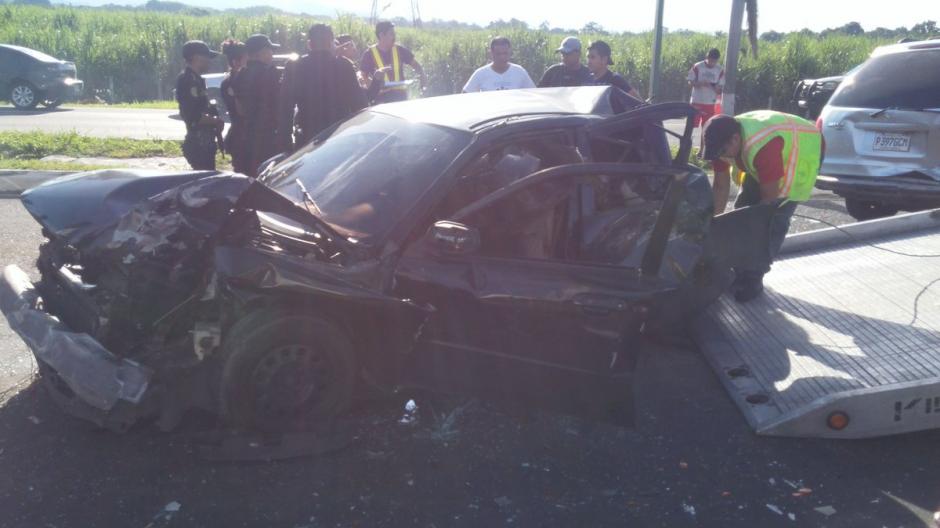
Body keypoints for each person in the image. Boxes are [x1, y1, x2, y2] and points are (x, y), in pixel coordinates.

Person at [701, 111, 824, 303]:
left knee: (773, 221)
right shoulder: (719, 140)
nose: (721, 157)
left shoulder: (764, 148)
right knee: (741, 210)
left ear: (735, 139)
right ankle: (737, 269)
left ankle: (753, 278)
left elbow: (767, 208)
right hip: (768, 155)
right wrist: (711, 226)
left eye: (723, 152)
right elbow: (720, 186)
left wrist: (752, 262)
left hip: (802, 153)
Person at [278, 24, 368, 153]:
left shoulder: (295, 66)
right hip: (339, 137)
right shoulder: (344, 65)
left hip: (307, 138)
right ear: (331, 43)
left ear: (310, 44)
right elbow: (359, 105)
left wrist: (286, 146)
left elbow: (285, 108)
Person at [232, 33, 282, 177]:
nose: (272, 54)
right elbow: (279, 106)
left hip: (247, 135)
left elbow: (240, 109)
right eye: (270, 50)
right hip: (268, 136)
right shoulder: (271, 74)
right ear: (262, 52)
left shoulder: (240, 75)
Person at [175, 40, 224, 171]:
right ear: (197, 58)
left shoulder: (196, 79)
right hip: (198, 142)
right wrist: (215, 121)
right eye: (207, 57)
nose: (209, 61)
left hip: (205, 141)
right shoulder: (188, 80)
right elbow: (193, 115)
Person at [360, 21, 426, 104]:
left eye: (394, 33)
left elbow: (417, 66)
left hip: (401, 99)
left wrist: (423, 80)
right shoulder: (369, 54)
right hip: (381, 101)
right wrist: (374, 86)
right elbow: (362, 77)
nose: (394, 36)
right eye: (391, 34)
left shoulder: (400, 50)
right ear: (381, 35)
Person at [462, 36, 535, 92]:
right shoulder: (480, 73)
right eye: (498, 54)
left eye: (505, 53)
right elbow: (465, 95)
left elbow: (533, 93)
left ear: (510, 52)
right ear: (491, 53)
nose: (502, 57)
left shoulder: (519, 71)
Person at [220, 39, 249, 174]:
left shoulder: (227, 81)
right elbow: (241, 111)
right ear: (236, 61)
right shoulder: (233, 83)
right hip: (242, 136)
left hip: (239, 135)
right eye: (246, 58)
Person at [687, 48, 725, 129]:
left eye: (715, 61)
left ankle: (703, 138)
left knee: (707, 127)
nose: (712, 63)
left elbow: (720, 90)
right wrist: (699, 84)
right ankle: (687, 138)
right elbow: (690, 82)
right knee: (691, 125)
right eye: (711, 61)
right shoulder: (697, 66)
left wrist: (715, 87)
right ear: (707, 57)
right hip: (696, 101)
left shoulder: (720, 70)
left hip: (710, 103)